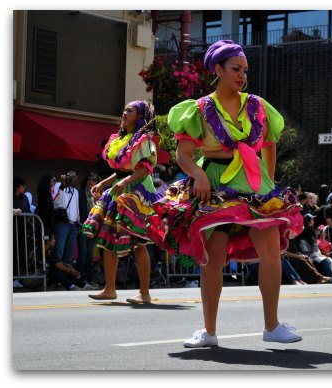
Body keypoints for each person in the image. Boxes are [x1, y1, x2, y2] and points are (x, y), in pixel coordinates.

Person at [146, 40, 304, 347]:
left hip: (253, 181)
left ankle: (272, 325)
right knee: (212, 258)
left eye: (244, 70)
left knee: (271, 252)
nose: (242, 75)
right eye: (235, 69)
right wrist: (199, 175)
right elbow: (184, 154)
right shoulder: (200, 109)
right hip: (214, 183)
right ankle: (209, 332)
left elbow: (270, 144)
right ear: (218, 70)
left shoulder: (257, 106)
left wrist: (267, 185)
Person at [83, 100, 162, 303]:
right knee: (109, 240)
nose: (124, 113)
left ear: (140, 116)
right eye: (124, 109)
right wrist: (102, 185)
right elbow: (119, 172)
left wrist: (126, 181)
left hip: (136, 193)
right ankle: (110, 288)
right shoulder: (121, 139)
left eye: (130, 110)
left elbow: (145, 168)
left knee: (138, 242)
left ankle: (145, 293)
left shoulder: (145, 140)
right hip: (118, 191)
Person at [77, 172, 101, 286]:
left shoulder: (99, 195)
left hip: (94, 227)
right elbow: (80, 210)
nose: (91, 182)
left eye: (94, 180)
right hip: (83, 225)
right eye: (89, 179)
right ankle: (81, 280)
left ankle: (89, 279)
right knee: (83, 253)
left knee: (90, 254)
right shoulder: (81, 193)